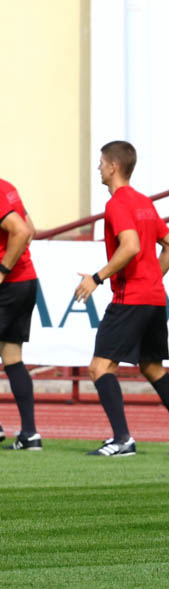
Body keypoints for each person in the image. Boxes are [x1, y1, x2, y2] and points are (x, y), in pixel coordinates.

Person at [74, 140, 169, 457]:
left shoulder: (117, 203)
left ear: (113, 166)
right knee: (152, 367)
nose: (98, 167)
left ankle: (122, 440)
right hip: (154, 298)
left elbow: (130, 246)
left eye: (101, 162)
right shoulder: (144, 202)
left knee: (100, 368)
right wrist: (152, 278)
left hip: (130, 297)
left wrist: (97, 278)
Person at [0, 178, 42, 450]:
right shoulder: (6, 186)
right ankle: (29, 434)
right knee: (13, 357)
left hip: (9, 284)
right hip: (26, 280)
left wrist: (3, 270)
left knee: (13, 356)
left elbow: (21, 230)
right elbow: (31, 229)